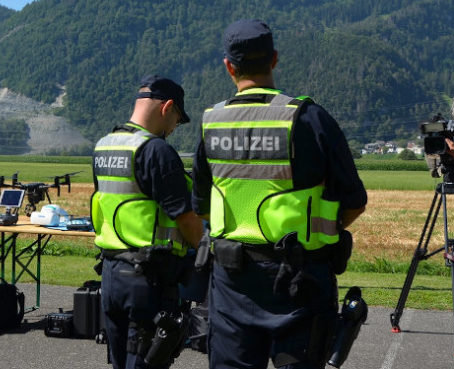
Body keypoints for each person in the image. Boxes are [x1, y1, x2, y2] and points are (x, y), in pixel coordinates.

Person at [192, 19, 367, 369]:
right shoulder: (310, 118)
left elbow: (202, 207)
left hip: (232, 282)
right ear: (274, 59)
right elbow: (354, 202)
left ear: (229, 67)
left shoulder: (212, 122)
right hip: (300, 282)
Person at [91, 75, 204, 369]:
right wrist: (207, 251)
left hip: (111, 273)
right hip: (148, 279)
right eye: (177, 119)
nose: (174, 128)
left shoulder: (105, 146)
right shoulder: (157, 151)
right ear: (167, 107)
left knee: (121, 361)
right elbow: (184, 217)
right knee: (146, 361)